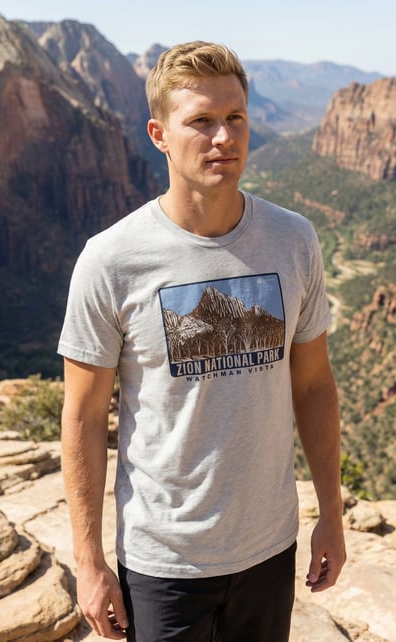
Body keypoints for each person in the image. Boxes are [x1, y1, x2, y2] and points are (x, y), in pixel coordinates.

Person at [58, 40, 346, 642]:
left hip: (270, 548)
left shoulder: (294, 241)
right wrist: (88, 563)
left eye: (235, 117)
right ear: (159, 135)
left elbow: (315, 385)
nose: (223, 137)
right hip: (164, 563)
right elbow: (83, 418)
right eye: (201, 122)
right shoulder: (111, 261)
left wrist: (331, 514)